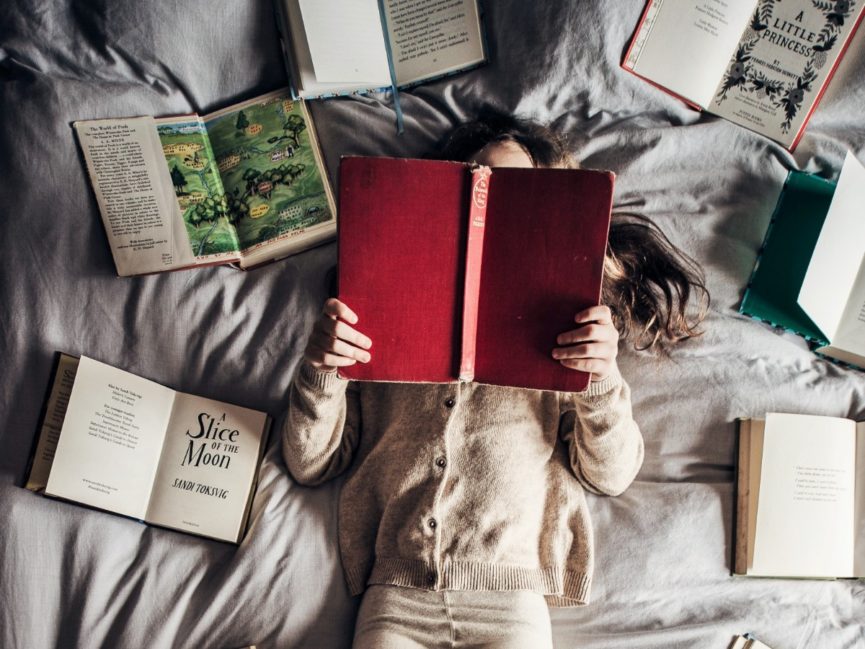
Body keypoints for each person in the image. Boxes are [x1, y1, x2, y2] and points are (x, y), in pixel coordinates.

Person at [282, 111, 708, 649]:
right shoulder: (382, 315)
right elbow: (311, 462)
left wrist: (600, 376)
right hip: (397, 594)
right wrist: (322, 370)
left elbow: (612, 475)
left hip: (510, 596)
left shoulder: (566, 328)